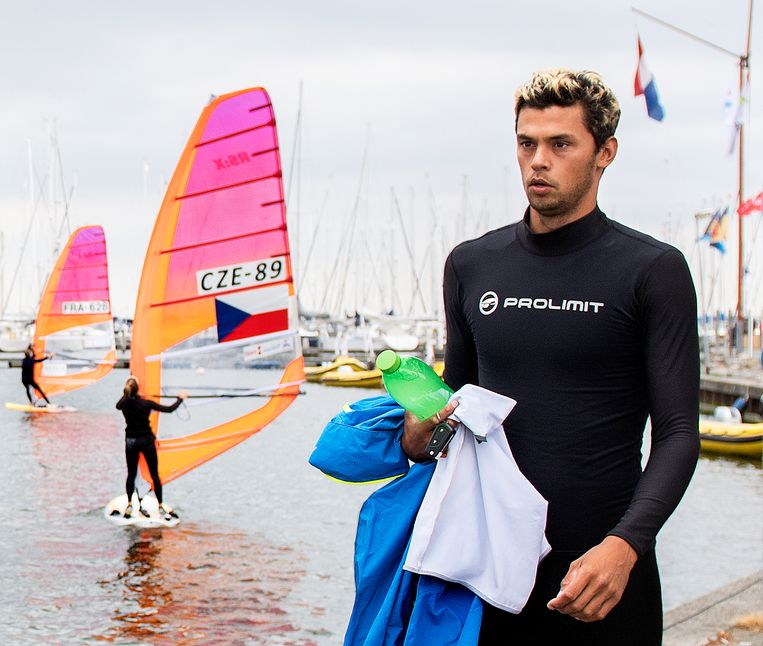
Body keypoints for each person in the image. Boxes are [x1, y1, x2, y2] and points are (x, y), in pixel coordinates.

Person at [402, 69, 700, 645]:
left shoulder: (652, 270)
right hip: (486, 575)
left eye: (561, 144)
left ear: (604, 153)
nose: (539, 160)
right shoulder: (472, 265)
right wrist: (418, 436)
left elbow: (680, 432)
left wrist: (626, 546)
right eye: (526, 142)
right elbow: (455, 401)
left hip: (603, 573)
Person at [116, 376, 187, 520]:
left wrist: (128, 394)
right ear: (138, 389)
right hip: (146, 441)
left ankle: (129, 504)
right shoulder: (146, 404)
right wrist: (180, 398)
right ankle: (160, 505)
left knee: (131, 474)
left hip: (131, 441)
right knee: (154, 474)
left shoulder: (124, 403)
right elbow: (169, 409)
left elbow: (118, 404)